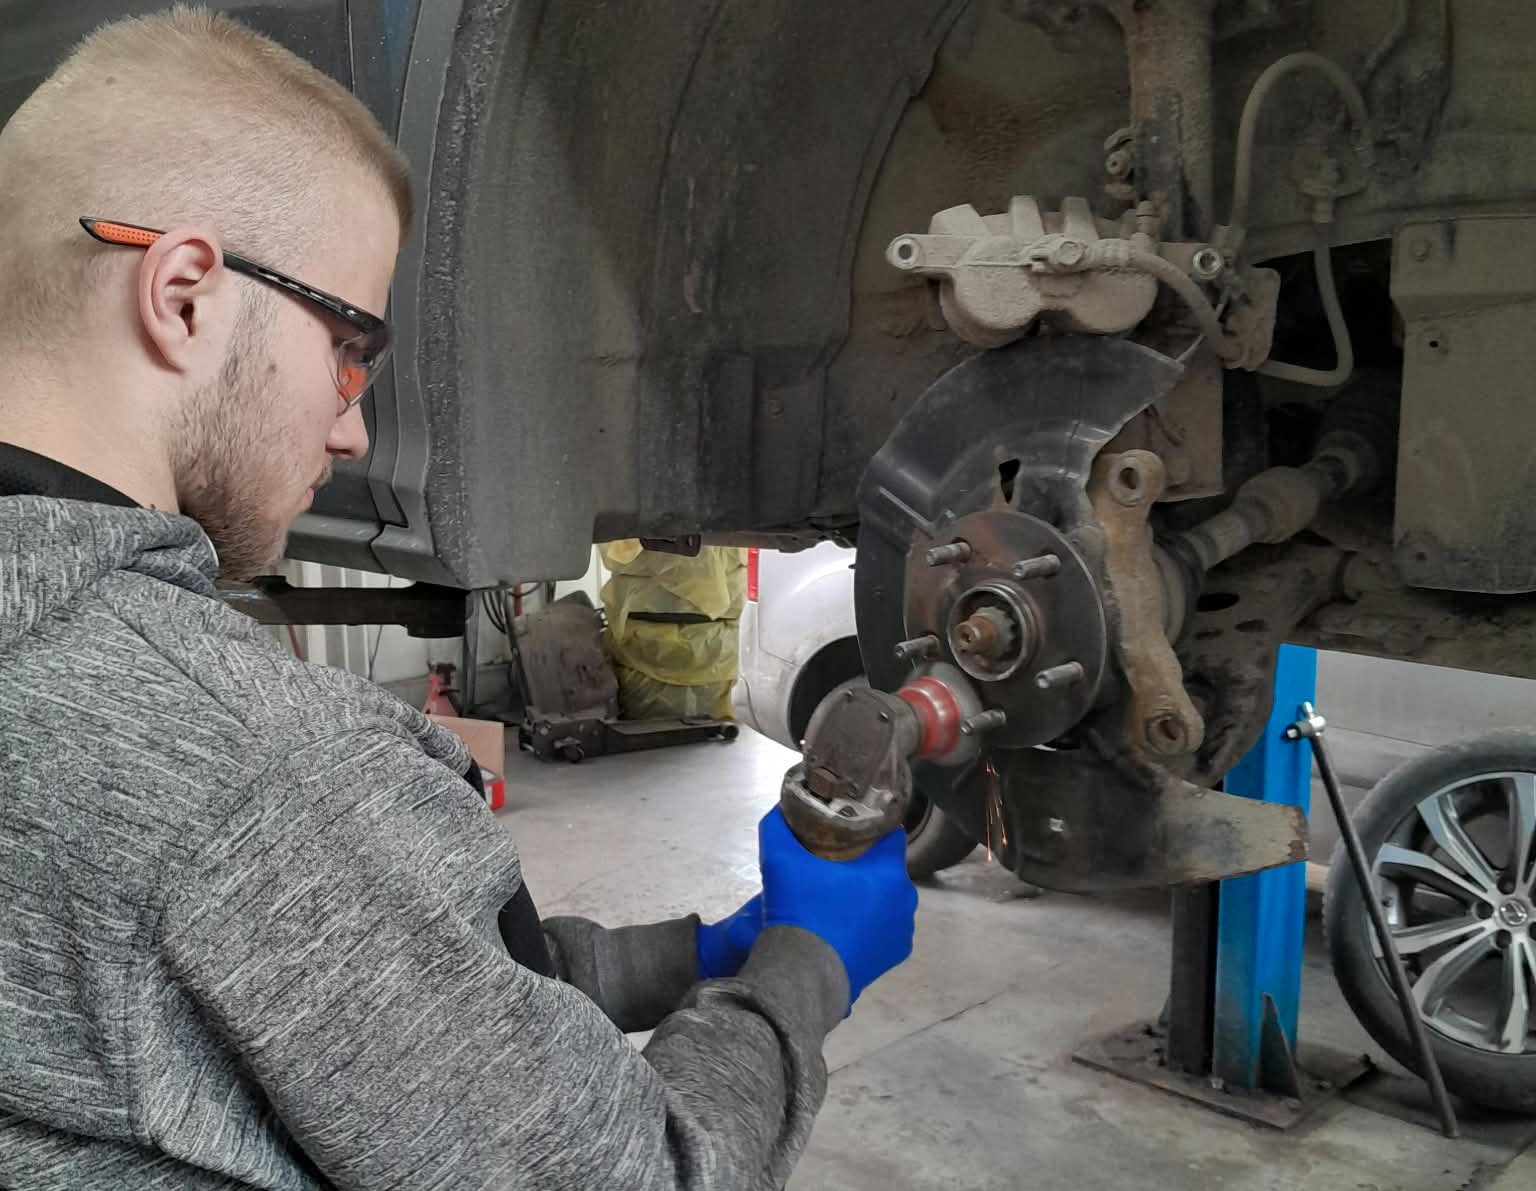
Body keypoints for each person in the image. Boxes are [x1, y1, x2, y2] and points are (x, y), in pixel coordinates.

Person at [0, 8, 918, 1189]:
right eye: (348, 349)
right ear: (183, 296)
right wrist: (800, 972)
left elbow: (347, 1020)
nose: (351, 430)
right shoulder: (256, 775)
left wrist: (688, 958)